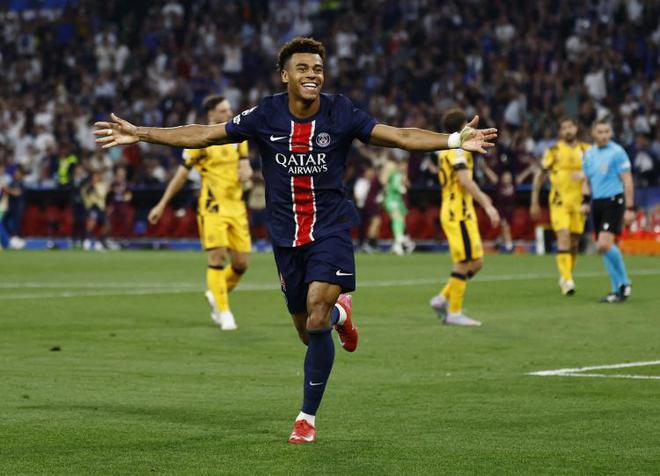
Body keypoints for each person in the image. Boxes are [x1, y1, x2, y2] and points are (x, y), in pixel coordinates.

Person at [95, 37, 497, 444]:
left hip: (331, 228)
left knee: (317, 315)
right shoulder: (265, 114)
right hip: (287, 236)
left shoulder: (341, 111)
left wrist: (453, 140)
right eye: (303, 68)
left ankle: (306, 417)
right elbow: (204, 134)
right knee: (309, 332)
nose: (312, 75)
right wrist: (141, 133)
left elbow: (399, 136)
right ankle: (342, 316)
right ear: (285, 76)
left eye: (318, 69)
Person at [147, 95, 253, 331]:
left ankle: (216, 293)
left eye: (229, 110)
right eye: (223, 110)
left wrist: (246, 172)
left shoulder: (239, 138)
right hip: (212, 207)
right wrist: (162, 204)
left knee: (241, 263)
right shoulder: (200, 140)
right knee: (217, 258)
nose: (229, 114)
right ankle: (224, 312)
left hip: (236, 207)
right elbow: (181, 175)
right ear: (211, 114)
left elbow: (245, 165)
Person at [430, 108, 500, 326]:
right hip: (457, 212)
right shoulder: (457, 150)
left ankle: (443, 298)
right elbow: (465, 180)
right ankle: (454, 312)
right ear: (463, 126)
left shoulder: (447, 148)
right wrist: (487, 204)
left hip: (462, 211)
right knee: (463, 262)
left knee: (476, 262)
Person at [530, 117, 591, 295]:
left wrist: (586, 180)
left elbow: (596, 173)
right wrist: (534, 200)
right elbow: (540, 175)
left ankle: (566, 275)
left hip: (579, 202)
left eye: (570, 127)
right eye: (564, 128)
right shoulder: (553, 151)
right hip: (559, 202)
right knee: (563, 237)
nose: (568, 130)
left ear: (576, 128)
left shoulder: (587, 150)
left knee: (574, 242)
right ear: (560, 132)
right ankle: (568, 280)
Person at [580, 119, 634, 303]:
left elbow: (627, 180)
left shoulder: (617, 152)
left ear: (611, 133)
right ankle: (615, 290)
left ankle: (625, 282)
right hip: (597, 203)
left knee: (603, 244)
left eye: (606, 131)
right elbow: (586, 180)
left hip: (614, 200)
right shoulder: (589, 154)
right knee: (603, 247)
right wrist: (585, 201)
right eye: (600, 132)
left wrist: (629, 208)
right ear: (593, 133)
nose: (604, 135)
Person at [383, 158, 414, 255]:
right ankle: (399, 244)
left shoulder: (401, 175)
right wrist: (402, 188)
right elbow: (397, 187)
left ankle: (399, 243)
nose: (405, 167)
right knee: (398, 219)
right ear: (399, 165)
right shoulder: (396, 174)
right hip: (392, 200)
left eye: (406, 166)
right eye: (403, 165)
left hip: (397, 200)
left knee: (400, 221)